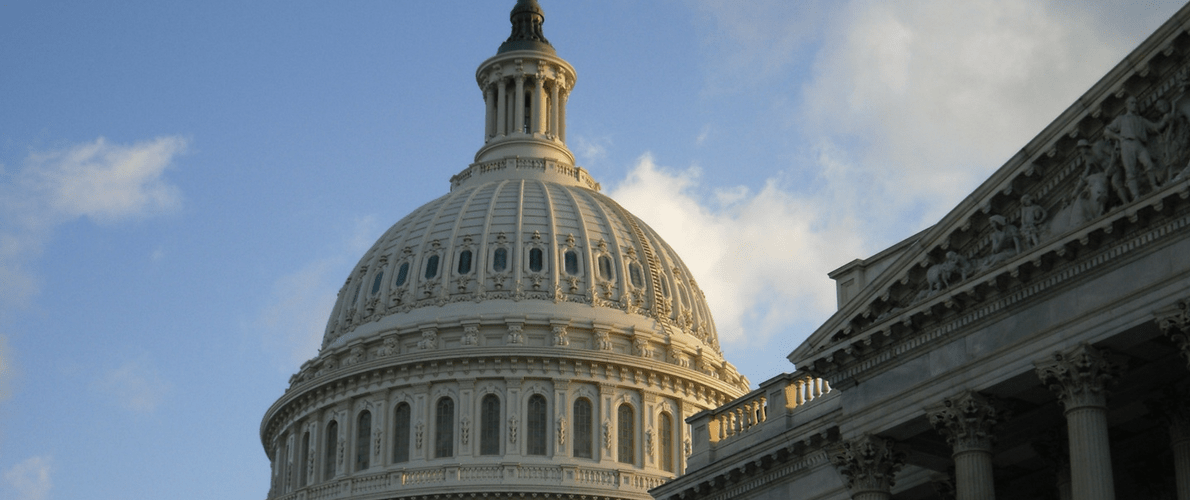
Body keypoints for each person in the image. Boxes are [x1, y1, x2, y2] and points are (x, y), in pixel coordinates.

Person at [1104, 96, 1171, 200]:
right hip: (1126, 144)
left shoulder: (1141, 120)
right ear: (1126, 105)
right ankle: (1136, 196)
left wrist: (1165, 121)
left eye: (1135, 103)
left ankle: (1154, 186)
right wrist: (1118, 138)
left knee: (1148, 164)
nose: (1134, 105)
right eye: (1131, 103)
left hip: (1139, 144)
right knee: (1130, 171)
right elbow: (1107, 131)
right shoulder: (1121, 119)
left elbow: (1155, 128)